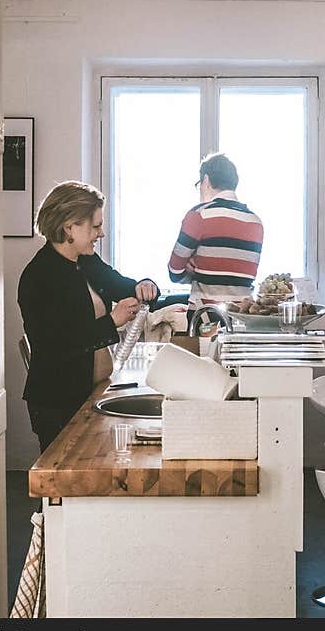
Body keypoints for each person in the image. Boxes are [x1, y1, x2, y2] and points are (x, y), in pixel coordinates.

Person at [18, 181, 158, 452]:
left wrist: (146, 285)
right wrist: (112, 322)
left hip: (95, 390)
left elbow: (123, 285)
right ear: (69, 227)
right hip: (58, 402)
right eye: (95, 226)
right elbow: (54, 345)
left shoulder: (86, 261)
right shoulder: (38, 277)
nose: (101, 233)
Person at [168, 153, 264, 314]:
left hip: (205, 316)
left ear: (206, 180)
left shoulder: (199, 215)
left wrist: (195, 268)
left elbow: (174, 272)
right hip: (244, 316)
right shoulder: (256, 222)